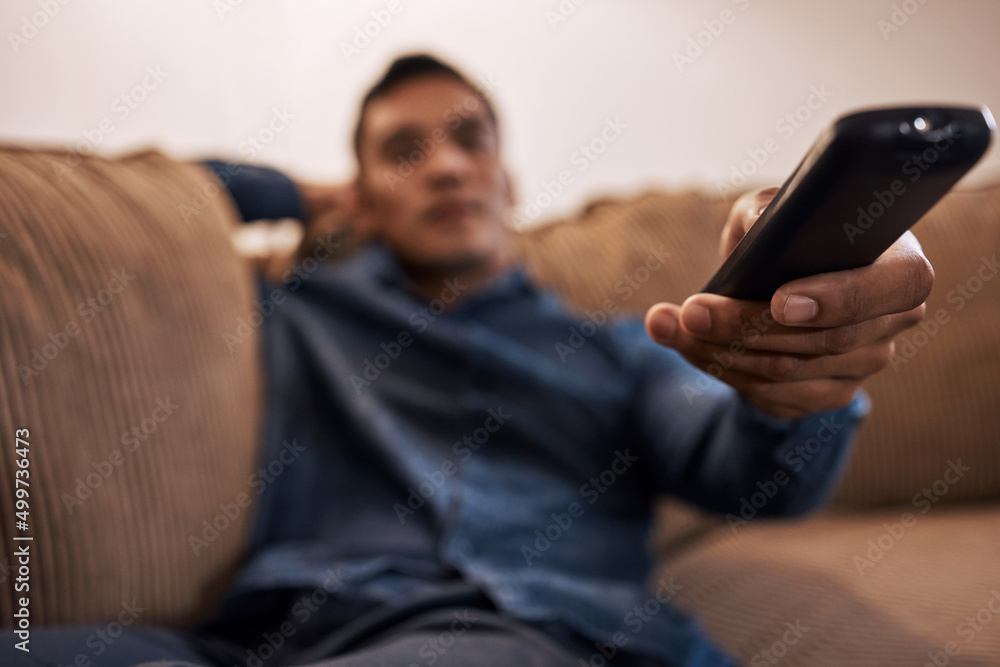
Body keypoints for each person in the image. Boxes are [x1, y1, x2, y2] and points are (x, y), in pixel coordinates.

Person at [6, 54, 932, 667]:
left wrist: (797, 383)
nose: (446, 167)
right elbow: (180, 200)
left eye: (468, 140)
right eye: (404, 153)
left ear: (509, 181)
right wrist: (309, 192)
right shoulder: (296, 311)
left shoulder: (622, 347)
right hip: (275, 636)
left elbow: (751, 474)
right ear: (360, 196)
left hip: (542, 636)